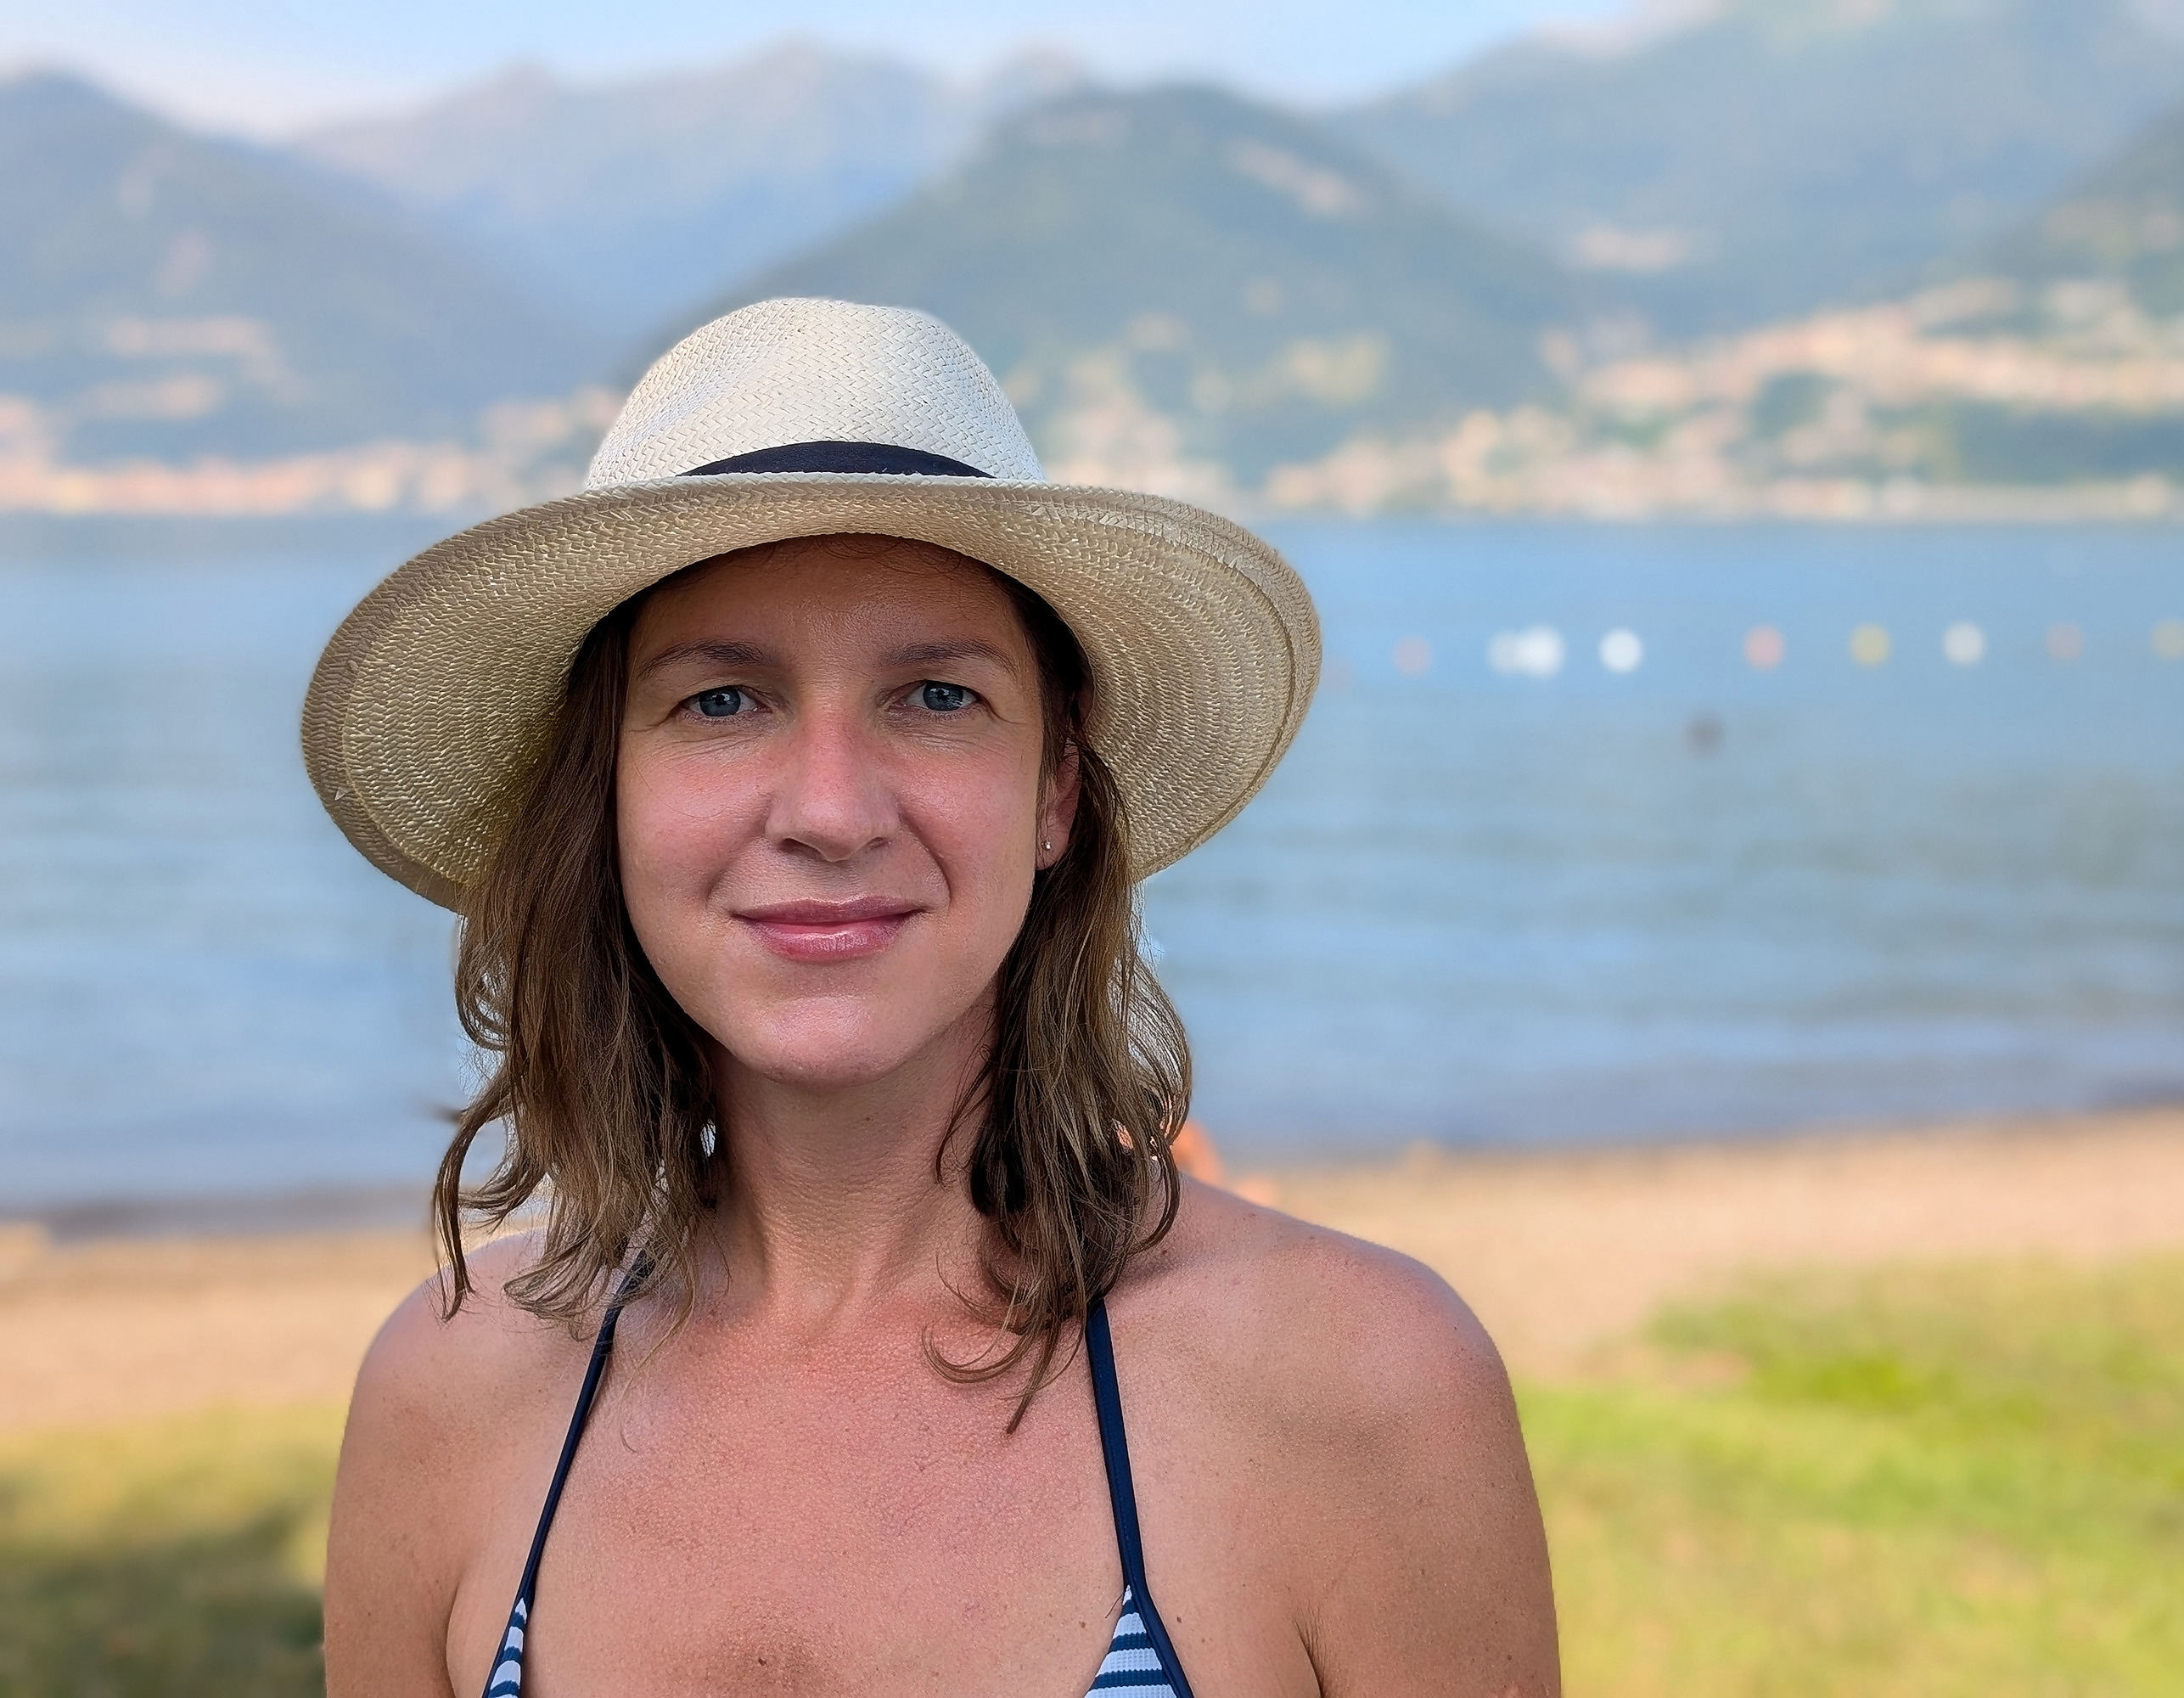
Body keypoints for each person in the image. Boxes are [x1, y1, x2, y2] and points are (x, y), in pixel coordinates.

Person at [312, 297, 1558, 1696]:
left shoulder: (1360, 1389)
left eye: (937, 697)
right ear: (605, 793)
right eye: (722, 701)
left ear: (1057, 789)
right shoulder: (450, 1393)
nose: (831, 811)